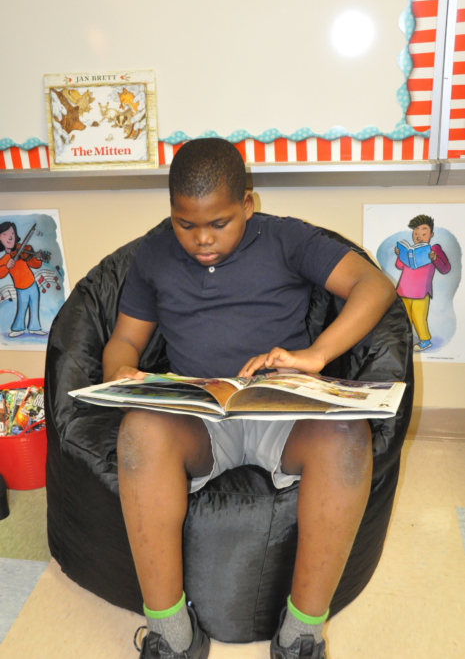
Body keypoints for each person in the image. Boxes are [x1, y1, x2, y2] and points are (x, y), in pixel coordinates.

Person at [102, 138, 397, 659]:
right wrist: (120, 374)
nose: (202, 239)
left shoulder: (286, 238)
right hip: (199, 418)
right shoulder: (153, 253)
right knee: (139, 433)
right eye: (185, 224)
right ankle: (172, 634)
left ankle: (301, 632)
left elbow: (374, 286)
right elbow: (125, 338)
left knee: (347, 437)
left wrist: (315, 355)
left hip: (279, 409)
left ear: (247, 204)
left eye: (219, 223)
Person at [394, 214, 450, 352]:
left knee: (419, 317)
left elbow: (445, 269)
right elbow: (399, 266)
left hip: (421, 292)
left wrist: (435, 258)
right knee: (404, 317)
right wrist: (400, 254)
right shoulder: (410, 251)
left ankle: (425, 340)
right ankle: (405, 340)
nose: (419, 237)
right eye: (416, 233)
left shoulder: (434, 249)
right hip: (403, 290)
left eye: (424, 233)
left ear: (431, 234)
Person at [0, 221, 47, 338]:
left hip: (33, 284)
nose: (10, 237)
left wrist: (37, 258)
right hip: (21, 288)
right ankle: (18, 328)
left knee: (34, 306)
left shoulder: (21, 249)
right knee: (22, 307)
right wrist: (7, 266)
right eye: (5, 234)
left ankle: (35, 328)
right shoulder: (5, 259)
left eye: (12, 233)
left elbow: (34, 264)